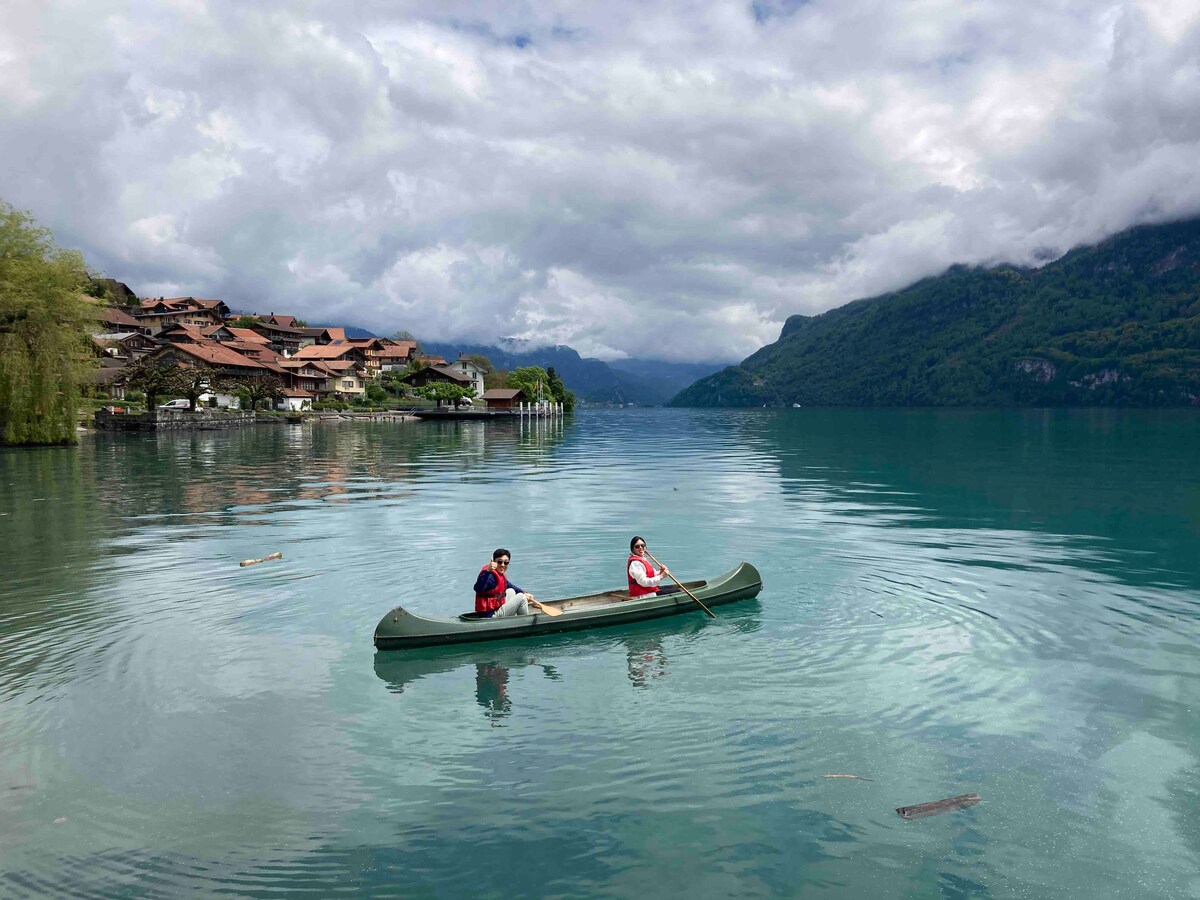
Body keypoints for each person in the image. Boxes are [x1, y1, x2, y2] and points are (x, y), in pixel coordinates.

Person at [473, 548, 534, 617]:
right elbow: (478, 588)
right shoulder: (489, 576)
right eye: (499, 562)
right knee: (521, 598)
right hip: (490, 616)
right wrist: (487, 571)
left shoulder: (499, 574)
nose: (503, 565)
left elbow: (509, 585)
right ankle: (524, 621)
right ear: (493, 562)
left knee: (511, 591)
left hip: (496, 609)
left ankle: (514, 617)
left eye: (506, 562)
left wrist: (524, 593)